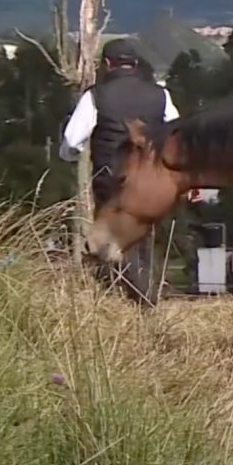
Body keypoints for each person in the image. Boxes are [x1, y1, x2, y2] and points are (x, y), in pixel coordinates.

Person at [60, 37, 180, 306]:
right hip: (151, 181)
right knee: (142, 241)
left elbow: (71, 140)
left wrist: (69, 156)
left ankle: (128, 302)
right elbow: (176, 134)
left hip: (110, 180)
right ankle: (144, 302)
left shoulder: (96, 96)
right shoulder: (161, 94)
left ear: (107, 64)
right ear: (135, 64)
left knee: (110, 242)